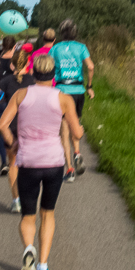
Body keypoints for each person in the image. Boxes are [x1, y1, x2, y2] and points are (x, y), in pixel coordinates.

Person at [0, 54, 83, 270]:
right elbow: (77, 134)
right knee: (47, 213)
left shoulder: (20, 95)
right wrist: (77, 127)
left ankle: (28, 249)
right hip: (53, 163)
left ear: (34, 73)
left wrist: (13, 142)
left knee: (28, 215)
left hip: (28, 162)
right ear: (54, 75)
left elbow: (2, 124)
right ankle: (43, 268)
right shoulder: (64, 99)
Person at [50, 18, 95, 182]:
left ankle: (69, 169)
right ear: (75, 33)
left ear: (62, 33)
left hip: (62, 90)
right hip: (78, 90)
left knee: (64, 129)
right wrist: (89, 85)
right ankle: (77, 152)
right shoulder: (81, 47)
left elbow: (48, 66)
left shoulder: (55, 49)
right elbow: (90, 66)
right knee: (75, 122)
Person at [0, 45, 29, 210]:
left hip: (11, 126)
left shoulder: (5, 82)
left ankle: (16, 200)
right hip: (30, 127)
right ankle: (30, 197)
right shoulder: (34, 81)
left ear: (12, 65)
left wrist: (3, 100)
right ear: (28, 63)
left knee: (13, 163)